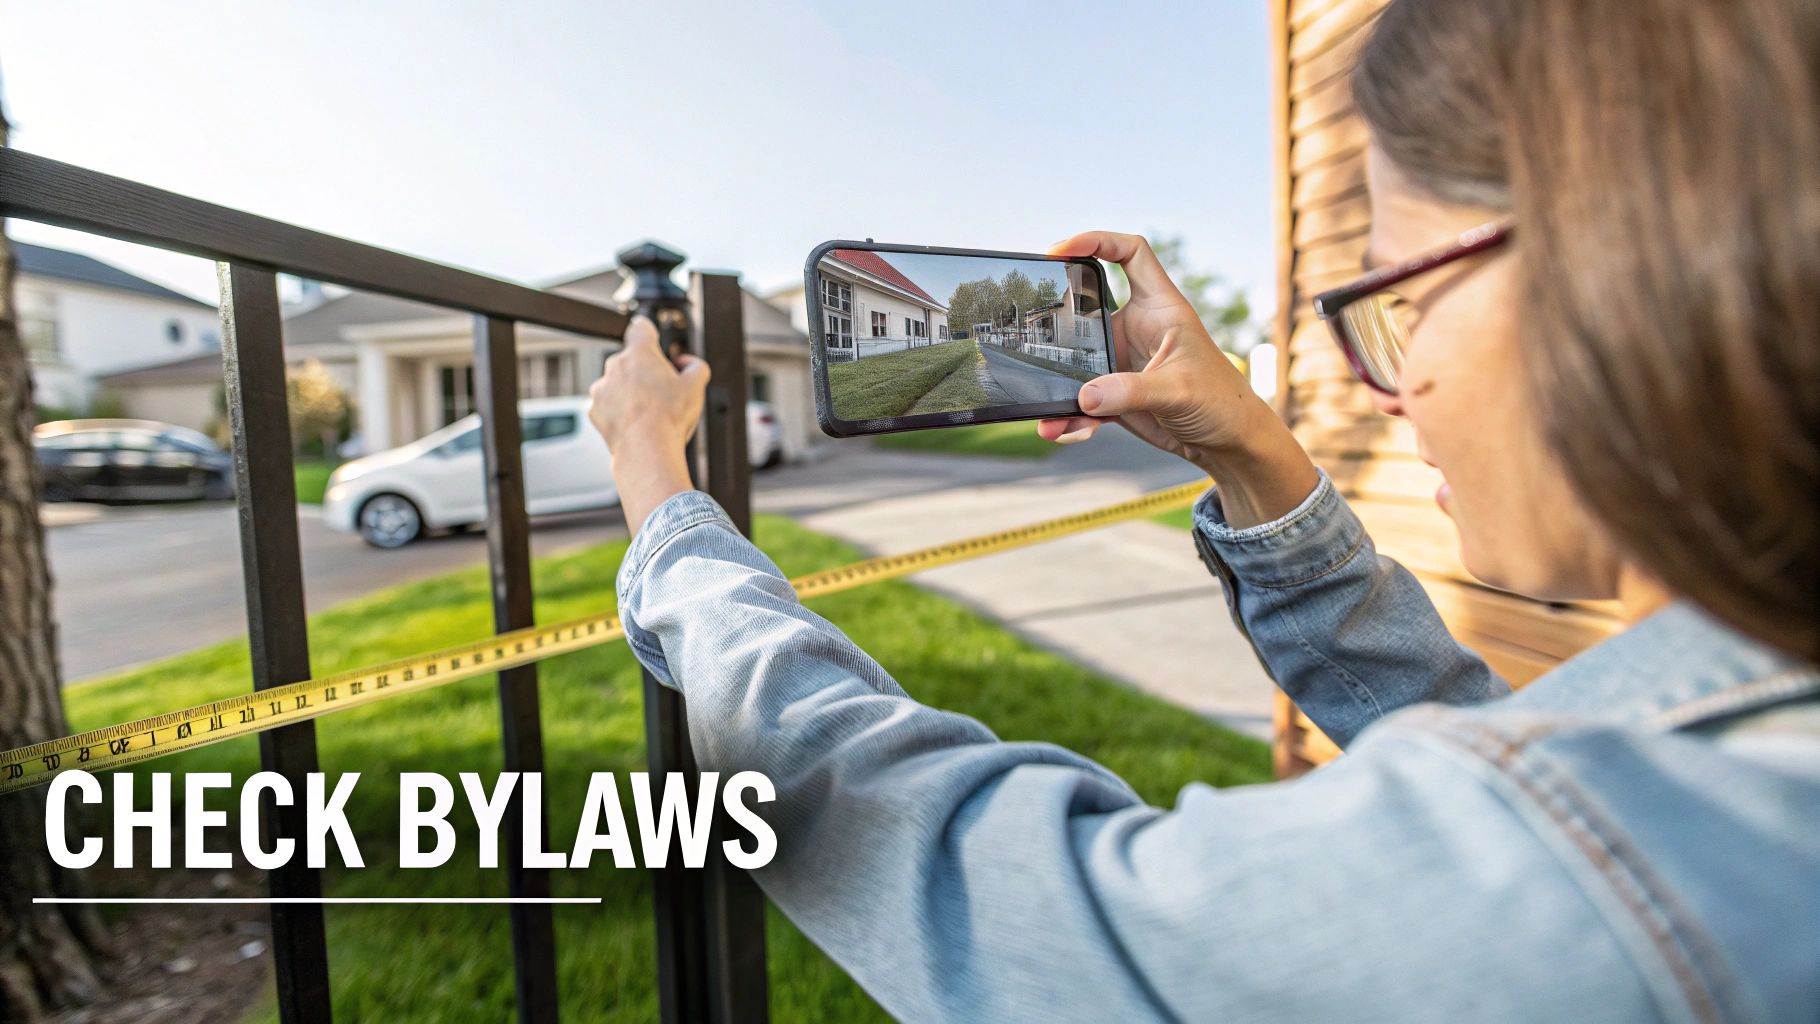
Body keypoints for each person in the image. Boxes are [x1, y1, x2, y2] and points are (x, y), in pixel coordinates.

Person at [587, 0, 1819, 1017]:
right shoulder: (1725, 760)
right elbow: (1476, 745)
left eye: (1402, 298)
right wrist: (1250, 452)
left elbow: (966, 878)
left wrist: (659, 488)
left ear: (1627, 262)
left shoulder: (1610, 877)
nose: (1372, 383)